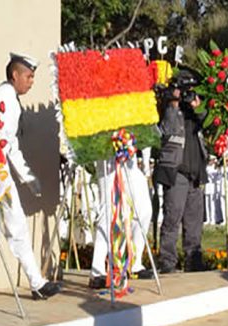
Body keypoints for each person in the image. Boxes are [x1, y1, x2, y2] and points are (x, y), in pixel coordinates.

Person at [0, 53, 61, 310]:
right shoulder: (4, 96)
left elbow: (10, 144)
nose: (31, 82)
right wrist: (23, 176)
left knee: (15, 226)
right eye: (28, 76)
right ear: (15, 75)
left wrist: (27, 177)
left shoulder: (8, 98)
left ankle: (36, 282)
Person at [154, 71, 208, 273]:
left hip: (196, 173)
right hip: (176, 172)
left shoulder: (194, 110)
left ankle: (194, 260)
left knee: (194, 222)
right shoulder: (170, 109)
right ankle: (167, 262)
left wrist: (195, 103)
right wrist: (174, 102)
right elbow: (167, 129)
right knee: (172, 218)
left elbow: (205, 118)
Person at [88, 155, 153, 288]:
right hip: (108, 159)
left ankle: (133, 264)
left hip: (129, 160)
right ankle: (97, 270)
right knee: (108, 212)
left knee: (144, 210)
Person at [204, 156, 218, 224]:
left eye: (211, 160)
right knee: (207, 204)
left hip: (212, 187)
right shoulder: (207, 167)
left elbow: (214, 176)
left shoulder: (215, 168)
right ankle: (208, 219)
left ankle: (213, 219)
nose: (210, 161)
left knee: (212, 204)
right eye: (209, 160)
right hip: (207, 187)